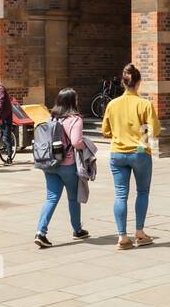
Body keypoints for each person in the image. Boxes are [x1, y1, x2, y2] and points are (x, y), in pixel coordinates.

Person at [100, 63, 161, 250]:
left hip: (118, 152)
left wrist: (120, 134)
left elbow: (105, 131)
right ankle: (140, 233)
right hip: (140, 152)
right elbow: (154, 131)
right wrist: (140, 138)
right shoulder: (144, 104)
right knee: (142, 192)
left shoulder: (112, 104)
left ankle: (122, 236)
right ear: (138, 82)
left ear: (123, 83)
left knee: (120, 195)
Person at [35, 88, 89, 248]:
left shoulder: (52, 117)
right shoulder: (75, 119)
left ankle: (40, 232)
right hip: (67, 164)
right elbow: (76, 142)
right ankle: (77, 230)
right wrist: (85, 144)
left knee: (51, 198)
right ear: (72, 101)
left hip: (50, 163)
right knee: (73, 198)